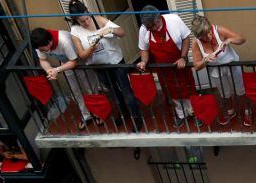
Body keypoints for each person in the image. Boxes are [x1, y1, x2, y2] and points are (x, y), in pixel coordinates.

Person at [68, 0, 142, 129]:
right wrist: (92, 47)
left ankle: (136, 117)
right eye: (82, 21)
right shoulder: (74, 30)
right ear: (75, 20)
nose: (86, 23)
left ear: (88, 12)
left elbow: (122, 33)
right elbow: (81, 55)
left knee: (126, 90)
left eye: (87, 19)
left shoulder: (98, 19)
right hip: (99, 67)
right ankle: (124, 113)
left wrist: (109, 30)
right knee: (113, 92)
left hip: (115, 62)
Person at [136, 5, 195, 128]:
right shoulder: (144, 29)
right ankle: (181, 115)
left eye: (149, 27)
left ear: (157, 21)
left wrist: (183, 57)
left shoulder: (174, 20)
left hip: (180, 65)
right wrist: (143, 61)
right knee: (172, 92)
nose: (147, 29)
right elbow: (144, 49)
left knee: (188, 89)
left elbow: (186, 39)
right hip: (163, 69)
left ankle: (193, 113)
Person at [191, 16, 250, 127]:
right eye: (202, 36)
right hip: (215, 70)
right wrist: (205, 60)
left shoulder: (220, 31)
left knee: (240, 91)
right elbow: (196, 65)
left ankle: (247, 111)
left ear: (209, 27)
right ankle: (230, 111)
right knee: (224, 93)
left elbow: (242, 39)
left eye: (207, 32)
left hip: (232, 65)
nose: (207, 37)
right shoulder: (196, 42)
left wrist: (229, 40)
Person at [30, 27, 94, 127]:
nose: (46, 49)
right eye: (43, 49)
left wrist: (57, 70)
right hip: (66, 65)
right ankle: (86, 115)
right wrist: (49, 70)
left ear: (49, 40)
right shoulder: (40, 46)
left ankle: (97, 112)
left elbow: (74, 62)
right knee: (75, 91)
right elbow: (43, 60)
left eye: (47, 45)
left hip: (82, 63)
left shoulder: (64, 40)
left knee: (90, 88)